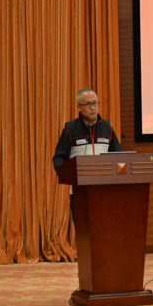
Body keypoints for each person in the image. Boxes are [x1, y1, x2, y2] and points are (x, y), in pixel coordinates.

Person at [53, 88, 122, 217]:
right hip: (80, 191)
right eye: (88, 104)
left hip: (104, 189)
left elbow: (118, 155)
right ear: (79, 107)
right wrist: (68, 175)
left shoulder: (107, 127)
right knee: (83, 226)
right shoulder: (70, 128)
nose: (93, 108)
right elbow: (59, 158)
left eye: (95, 103)